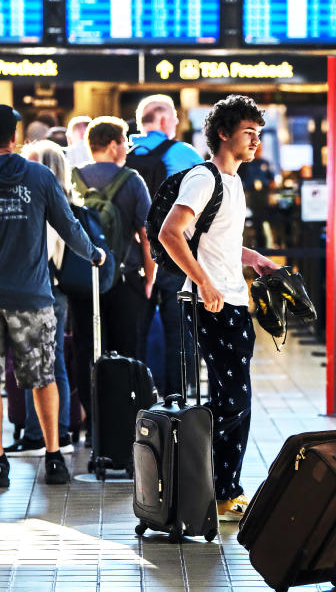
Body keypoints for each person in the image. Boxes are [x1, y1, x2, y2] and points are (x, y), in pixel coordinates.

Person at [0, 104, 105, 488]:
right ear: (14, 137)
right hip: (32, 297)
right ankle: (53, 458)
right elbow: (69, 228)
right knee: (43, 376)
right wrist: (95, 254)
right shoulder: (40, 177)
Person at [158, 95, 280, 522]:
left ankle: (223, 491)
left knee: (235, 399)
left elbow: (216, 240)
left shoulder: (233, 182)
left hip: (232, 300)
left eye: (259, 134)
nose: (256, 142)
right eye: (249, 133)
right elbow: (170, 233)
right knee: (233, 400)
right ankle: (203, 482)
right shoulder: (203, 177)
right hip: (211, 302)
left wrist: (254, 259)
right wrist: (205, 282)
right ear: (224, 133)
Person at [69, 116, 154, 439]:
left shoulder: (74, 179)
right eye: (125, 142)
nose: (128, 148)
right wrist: (149, 276)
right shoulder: (131, 180)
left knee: (86, 349)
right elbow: (146, 233)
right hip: (123, 277)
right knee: (125, 348)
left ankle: (92, 421)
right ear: (114, 144)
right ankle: (124, 423)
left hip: (83, 280)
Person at [125, 95, 204, 396]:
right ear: (161, 120)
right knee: (178, 331)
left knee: (136, 332)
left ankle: (138, 395)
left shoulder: (125, 152)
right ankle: (178, 398)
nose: (176, 123)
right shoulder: (183, 153)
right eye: (173, 117)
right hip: (175, 255)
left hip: (134, 258)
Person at [3, 140, 75, 456]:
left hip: (39, 291)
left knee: (38, 365)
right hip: (57, 291)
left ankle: (39, 435)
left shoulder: (42, 204)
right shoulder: (65, 201)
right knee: (52, 361)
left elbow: (36, 253)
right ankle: (58, 433)